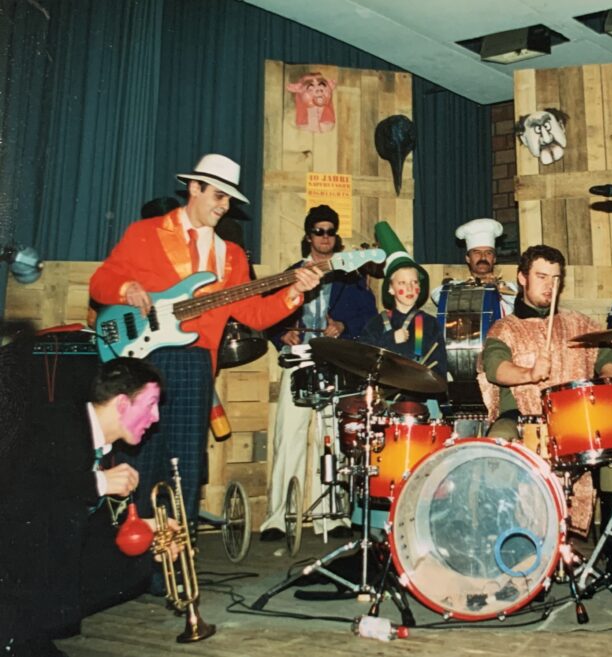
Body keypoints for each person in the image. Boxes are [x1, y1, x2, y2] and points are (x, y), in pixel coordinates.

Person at [89, 154, 323, 526]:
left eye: (229, 199)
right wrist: (126, 287)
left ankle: (178, 550)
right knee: (138, 459)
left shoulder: (231, 255)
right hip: (141, 358)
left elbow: (254, 314)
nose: (225, 206)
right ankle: (131, 548)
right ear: (194, 189)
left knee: (184, 465)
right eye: (219, 195)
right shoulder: (145, 232)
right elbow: (100, 283)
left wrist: (296, 291)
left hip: (195, 361)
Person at [0, 357, 168, 656]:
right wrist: (99, 483)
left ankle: (26, 631)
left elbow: (84, 525)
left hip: (27, 562)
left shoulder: (96, 443)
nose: (155, 417)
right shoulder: (57, 423)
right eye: (150, 404)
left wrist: (146, 531)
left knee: (134, 566)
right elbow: (21, 497)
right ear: (122, 404)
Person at [478, 245, 612, 561]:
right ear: (522, 278)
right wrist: (529, 373)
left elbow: (608, 360)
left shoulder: (578, 324)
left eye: (555, 278)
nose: (549, 285)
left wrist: (606, 379)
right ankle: (510, 548)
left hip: (574, 417)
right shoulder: (505, 328)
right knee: (498, 445)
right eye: (541, 276)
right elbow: (495, 368)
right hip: (522, 416)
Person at [260, 205, 377, 542]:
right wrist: (281, 333)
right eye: (319, 231)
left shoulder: (350, 275)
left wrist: (343, 326)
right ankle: (279, 518)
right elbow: (266, 314)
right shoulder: (291, 274)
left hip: (335, 363)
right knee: (289, 437)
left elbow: (368, 317)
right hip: (298, 361)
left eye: (330, 231)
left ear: (335, 237)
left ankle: (332, 517)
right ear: (309, 236)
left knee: (332, 439)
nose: (325, 237)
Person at [359, 221, 448, 390]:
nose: (410, 288)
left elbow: (440, 368)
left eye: (414, 282)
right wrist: (390, 340)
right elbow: (362, 361)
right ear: (391, 289)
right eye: (402, 283)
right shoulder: (375, 324)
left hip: (422, 397)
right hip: (385, 398)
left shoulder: (430, 325)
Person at [429, 217, 517, 314]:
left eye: (488, 253)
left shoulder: (509, 287)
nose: (483, 257)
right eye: (477, 253)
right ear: (468, 258)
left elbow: (517, 299)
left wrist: (497, 286)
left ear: (494, 259)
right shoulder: (457, 285)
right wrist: (474, 284)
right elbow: (437, 295)